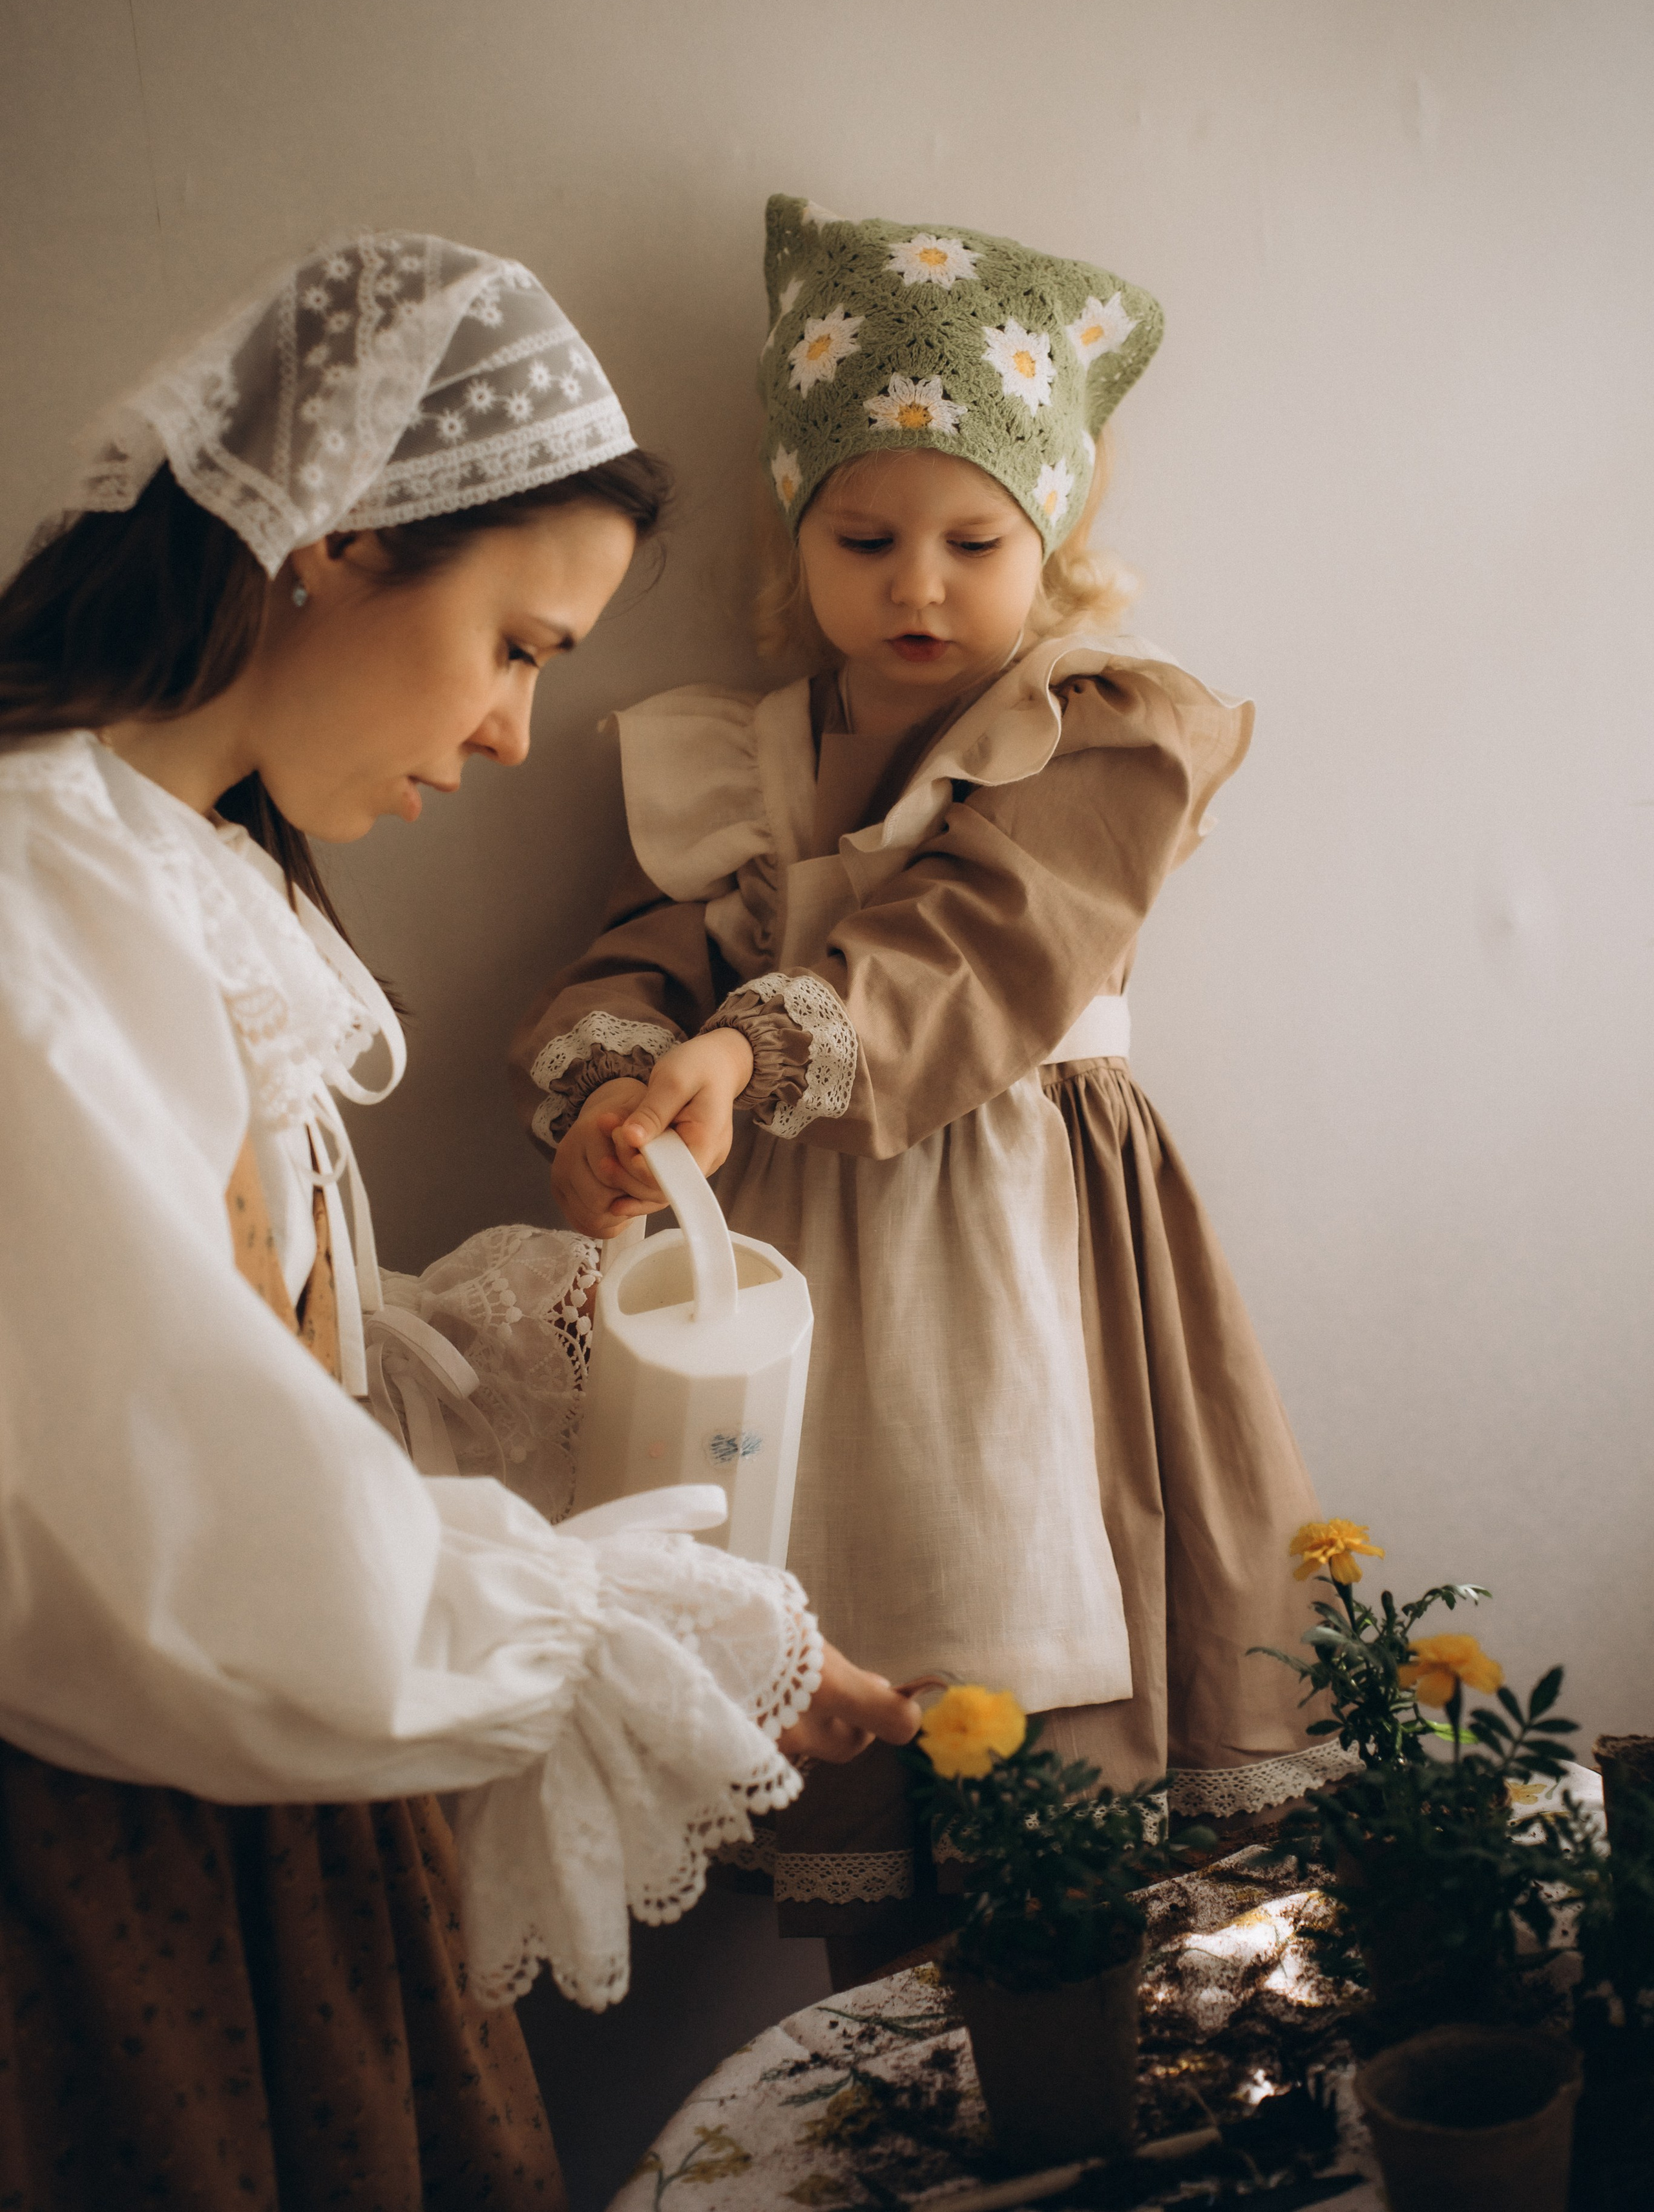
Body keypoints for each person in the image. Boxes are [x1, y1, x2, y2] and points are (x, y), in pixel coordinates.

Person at [0, 231, 919, 2211]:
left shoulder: (156, 879)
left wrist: (499, 1350)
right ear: (328, 540)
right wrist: (628, 1631)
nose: (512, 733)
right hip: (129, 1856)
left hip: (248, 1809)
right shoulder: (35, 913)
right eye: (519, 642)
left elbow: (230, 1372)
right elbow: (174, 1535)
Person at [512, 195, 1351, 1981]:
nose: (917, 583)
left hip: (1037, 1241)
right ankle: (873, 2061)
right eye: (865, 533)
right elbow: (644, 947)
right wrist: (615, 1074)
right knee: (844, 1641)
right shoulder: (736, 759)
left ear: (1050, 542)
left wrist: (748, 1042)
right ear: (792, 538)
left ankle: (1082, 2046)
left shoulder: (1097, 727)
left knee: (1054, 1654)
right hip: (801, 1278)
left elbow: (989, 937)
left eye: (975, 537)